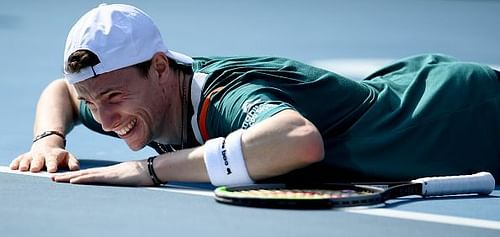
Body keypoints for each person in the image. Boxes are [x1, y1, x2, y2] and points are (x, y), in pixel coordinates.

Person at [9, 3, 500, 186]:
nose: (105, 116)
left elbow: (296, 141)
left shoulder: (223, 95)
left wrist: (153, 170)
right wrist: (48, 140)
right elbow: (63, 94)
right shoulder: (127, 99)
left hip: (458, 113)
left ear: (160, 67)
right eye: (94, 101)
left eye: (112, 96)